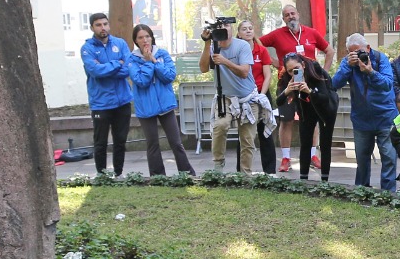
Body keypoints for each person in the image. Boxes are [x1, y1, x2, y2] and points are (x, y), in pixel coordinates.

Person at [261, 3, 330, 174]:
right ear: (283, 19)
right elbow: (258, 45)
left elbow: (329, 51)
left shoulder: (312, 33)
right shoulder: (277, 35)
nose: (290, 16)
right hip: (287, 83)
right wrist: (273, 62)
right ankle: (285, 158)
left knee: (313, 118)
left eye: (293, 13)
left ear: (298, 14)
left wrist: (324, 74)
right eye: (286, 15)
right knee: (286, 120)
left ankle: (313, 156)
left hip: (309, 82)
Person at [333, 33, 399, 191]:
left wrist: (371, 72)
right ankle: (361, 191)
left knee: (389, 158)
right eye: (352, 52)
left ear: (368, 48)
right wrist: (348, 66)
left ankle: (388, 194)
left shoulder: (380, 59)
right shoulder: (348, 63)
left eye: (359, 51)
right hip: (362, 120)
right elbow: (334, 84)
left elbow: (387, 84)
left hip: (385, 117)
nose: (357, 56)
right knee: (362, 160)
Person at [126, 23, 194, 177]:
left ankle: (188, 174)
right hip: (146, 108)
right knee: (153, 144)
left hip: (166, 105)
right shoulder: (132, 59)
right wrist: (149, 62)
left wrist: (155, 62)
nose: (145, 40)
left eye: (147, 36)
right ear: (136, 41)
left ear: (152, 37)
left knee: (176, 143)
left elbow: (170, 76)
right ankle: (157, 176)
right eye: (141, 37)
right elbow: (141, 81)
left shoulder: (162, 54)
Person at [200, 17, 265, 172]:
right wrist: (207, 42)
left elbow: (244, 72)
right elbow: (203, 68)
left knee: (247, 138)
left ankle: (246, 174)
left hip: (247, 97)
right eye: (220, 26)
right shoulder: (213, 46)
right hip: (225, 97)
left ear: (232, 29)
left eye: (227, 25)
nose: (224, 29)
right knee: (220, 126)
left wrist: (224, 61)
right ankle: (218, 167)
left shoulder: (242, 45)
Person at [80, 13, 133, 177]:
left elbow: (128, 68)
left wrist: (107, 68)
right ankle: (102, 175)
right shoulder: (87, 48)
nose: (103, 28)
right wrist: (118, 63)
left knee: (120, 141)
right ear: (92, 28)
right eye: (98, 25)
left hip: (122, 101)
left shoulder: (120, 43)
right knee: (100, 142)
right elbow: (95, 72)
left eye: (105, 24)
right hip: (100, 103)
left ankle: (119, 173)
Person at [277, 53, 339, 181]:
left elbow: (325, 98)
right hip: (306, 109)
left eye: (297, 68)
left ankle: (325, 181)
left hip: (326, 107)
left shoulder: (314, 69)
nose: (294, 72)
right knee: (305, 142)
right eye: (290, 71)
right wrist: (287, 90)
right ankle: (303, 181)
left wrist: (309, 91)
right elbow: (279, 102)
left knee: (325, 144)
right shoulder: (286, 77)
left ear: (303, 65)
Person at [239, 20, 277, 174]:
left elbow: (267, 75)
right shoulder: (236, 51)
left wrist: (262, 95)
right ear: (239, 33)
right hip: (244, 96)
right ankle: (241, 172)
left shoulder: (261, 50)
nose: (248, 31)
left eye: (250, 28)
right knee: (245, 135)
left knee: (265, 133)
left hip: (261, 94)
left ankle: (270, 172)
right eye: (244, 29)